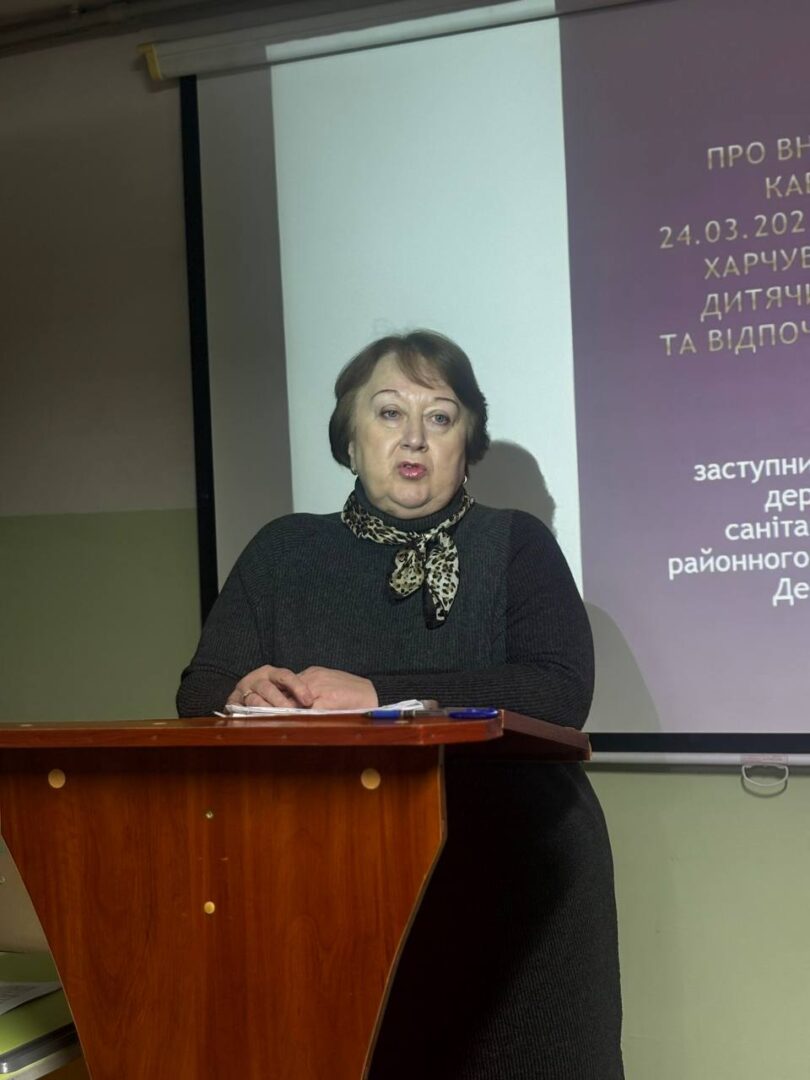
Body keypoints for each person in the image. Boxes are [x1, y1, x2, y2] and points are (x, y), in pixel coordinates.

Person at [177, 330, 624, 1079]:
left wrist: (380, 697)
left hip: (514, 884)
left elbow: (558, 690)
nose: (414, 437)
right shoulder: (284, 552)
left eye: (440, 417)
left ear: (466, 441)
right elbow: (199, 691)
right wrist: (240, 692)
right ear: (350, 438)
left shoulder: (516, 544)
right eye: (389, 413)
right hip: (328, 892)